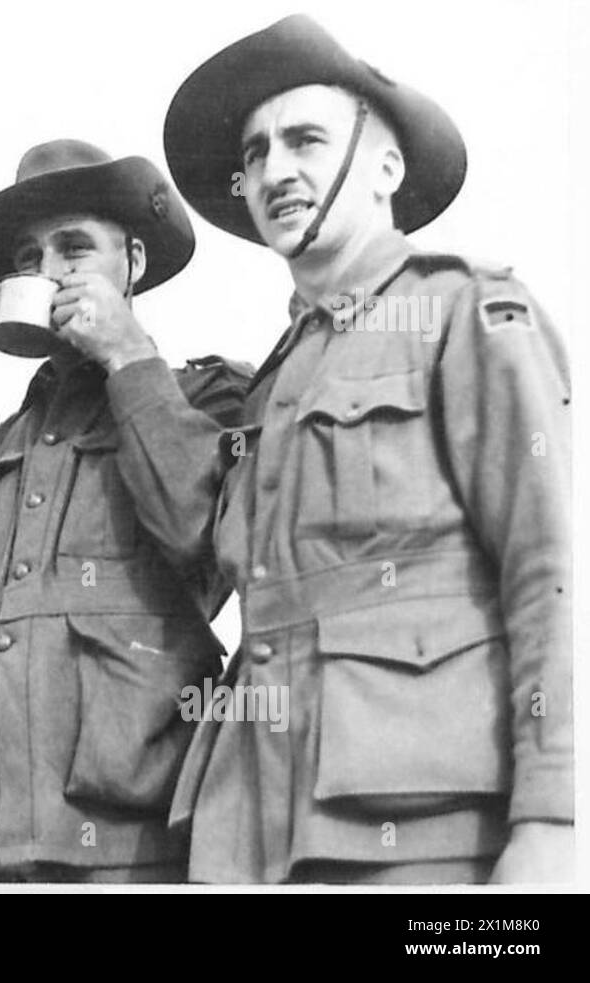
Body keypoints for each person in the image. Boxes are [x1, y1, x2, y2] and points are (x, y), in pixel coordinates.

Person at [162, 14, 572, 884]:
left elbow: (549, 570)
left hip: (422, 833)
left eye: (305, 139)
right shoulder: (273, 379)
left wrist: (554, 816)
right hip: (252, 835)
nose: (275, 170)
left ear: (387, 168)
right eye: (256, 152)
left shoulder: (465, 312)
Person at [0, 139, 251, 882]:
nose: (46, 271)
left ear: (135, 263)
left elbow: (206, 539)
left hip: (123, 825)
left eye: (74, 248)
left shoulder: (205, 398)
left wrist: (129, 355)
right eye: (27, 258)